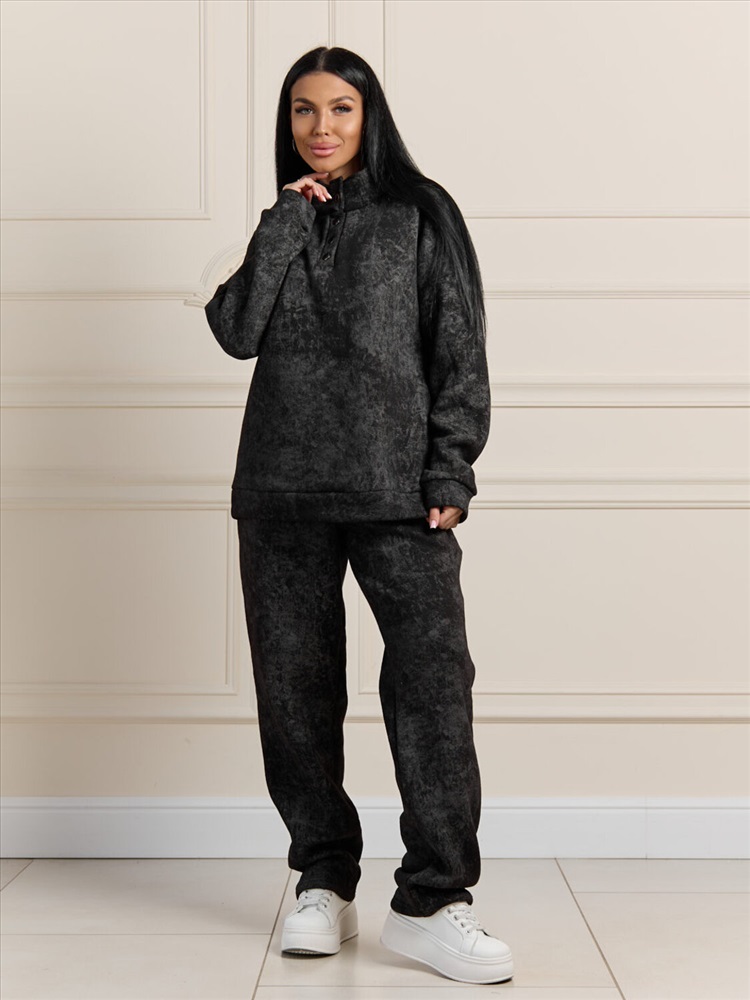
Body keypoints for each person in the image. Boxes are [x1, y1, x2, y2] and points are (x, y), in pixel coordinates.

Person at [204, 46, 514, 986]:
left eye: (340, 108)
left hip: (399, 494)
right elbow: (235, 330)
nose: (322, 127)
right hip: (281, 494)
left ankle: (432, 900)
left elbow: (459, 347)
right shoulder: (286, 220)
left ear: (370, 116)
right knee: (295, 695)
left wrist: (450, 467)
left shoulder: (421, 213)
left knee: (432, 688)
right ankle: (322, 880)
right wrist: (283, 222)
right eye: (304, 110)